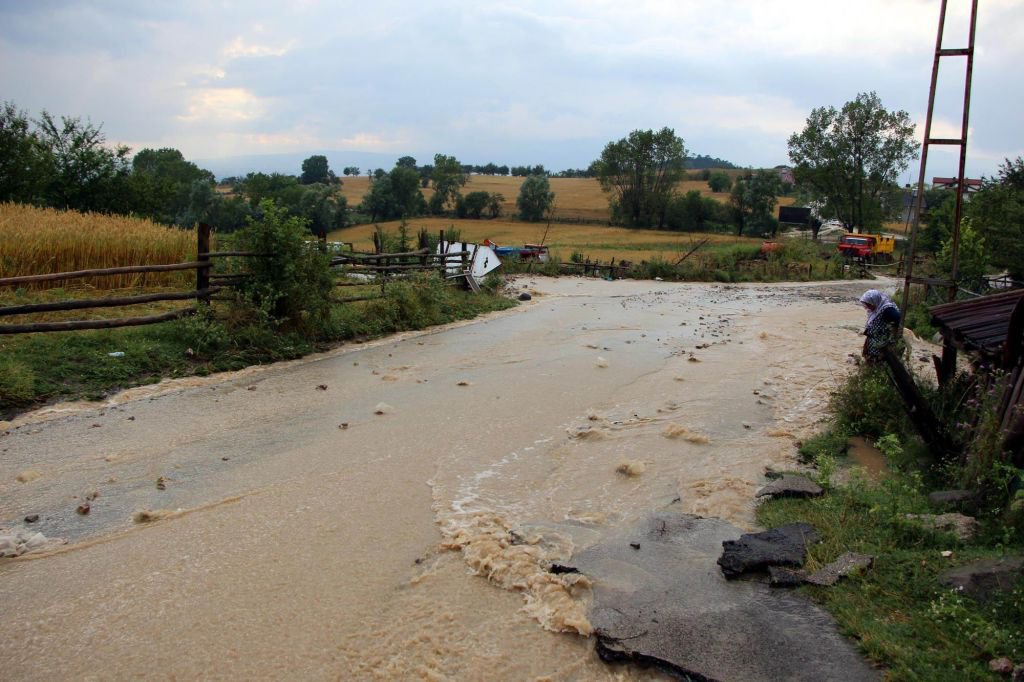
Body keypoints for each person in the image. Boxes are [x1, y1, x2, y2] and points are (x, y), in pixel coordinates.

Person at [859, 289, 901, 361]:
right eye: (867, 304)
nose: (867, 307)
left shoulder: (887, 309)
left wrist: (893, 336)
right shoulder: (877, 308)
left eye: (869, 304)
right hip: (874, 344)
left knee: (878, 363)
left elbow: (898, 318)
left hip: (880, 347)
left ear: (874, 301)